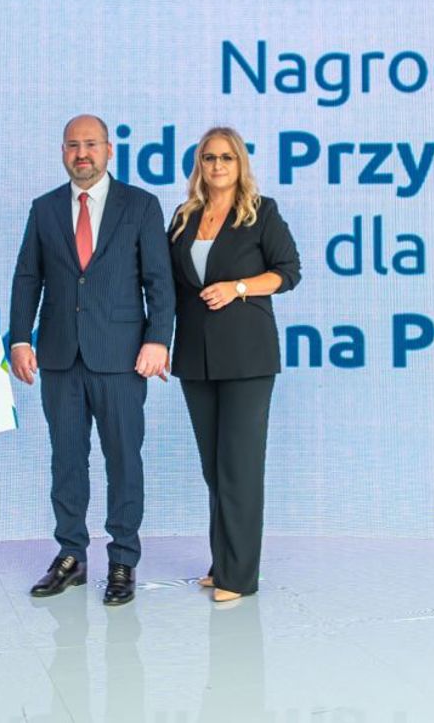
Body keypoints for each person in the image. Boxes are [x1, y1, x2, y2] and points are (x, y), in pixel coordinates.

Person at [9, 114, 175, 607]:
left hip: (122, 358)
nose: (82, 154)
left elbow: (159, 281)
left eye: (91, 145)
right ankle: (71, 556)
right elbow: (27, 278)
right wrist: (19, 340)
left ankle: (123, 558)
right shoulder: (44, 209)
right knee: (66, 460)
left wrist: (158, 339)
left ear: (108, 150)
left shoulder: (140, 205)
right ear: (63, 152)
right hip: (60, 356)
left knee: (123, 459)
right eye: (73, 145)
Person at [167, 127, 300, 603]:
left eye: (227, 157)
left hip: (247, 357)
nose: (218, 165)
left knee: (239, 467)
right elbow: (167, 282)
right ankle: (223, 560)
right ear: (199, 165)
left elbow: (288, 272)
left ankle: (239, 577)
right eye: (209, 158)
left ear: (240, 163)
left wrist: (238, 287)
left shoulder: (262, 212)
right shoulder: (184, 217)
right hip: (196, 357)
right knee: (214, 468)